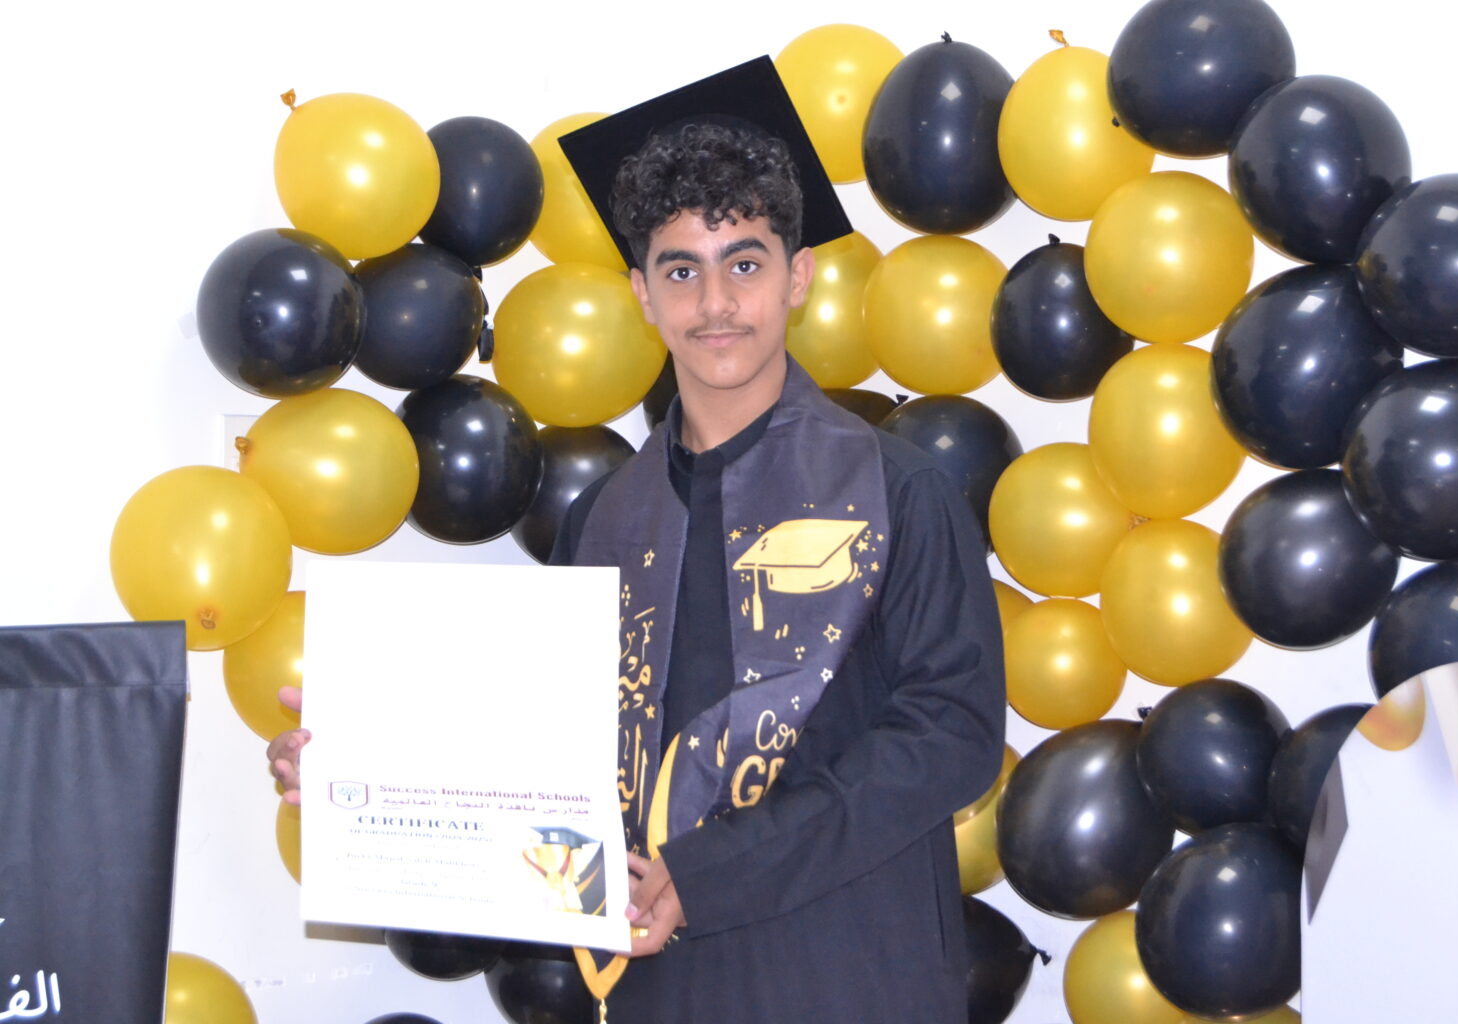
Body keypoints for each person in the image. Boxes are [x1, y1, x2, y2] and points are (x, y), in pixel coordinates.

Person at [271, 57, 1005, 1022]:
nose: (715, 304)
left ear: (799, 278)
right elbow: (543, 759)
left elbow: (951, 739)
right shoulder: (604, 522)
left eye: (745, 263)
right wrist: (360, 769)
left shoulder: (900, 492)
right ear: (642, 294)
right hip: (662, 978)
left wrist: (713, 872)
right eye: (681, 270)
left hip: (850, 969)